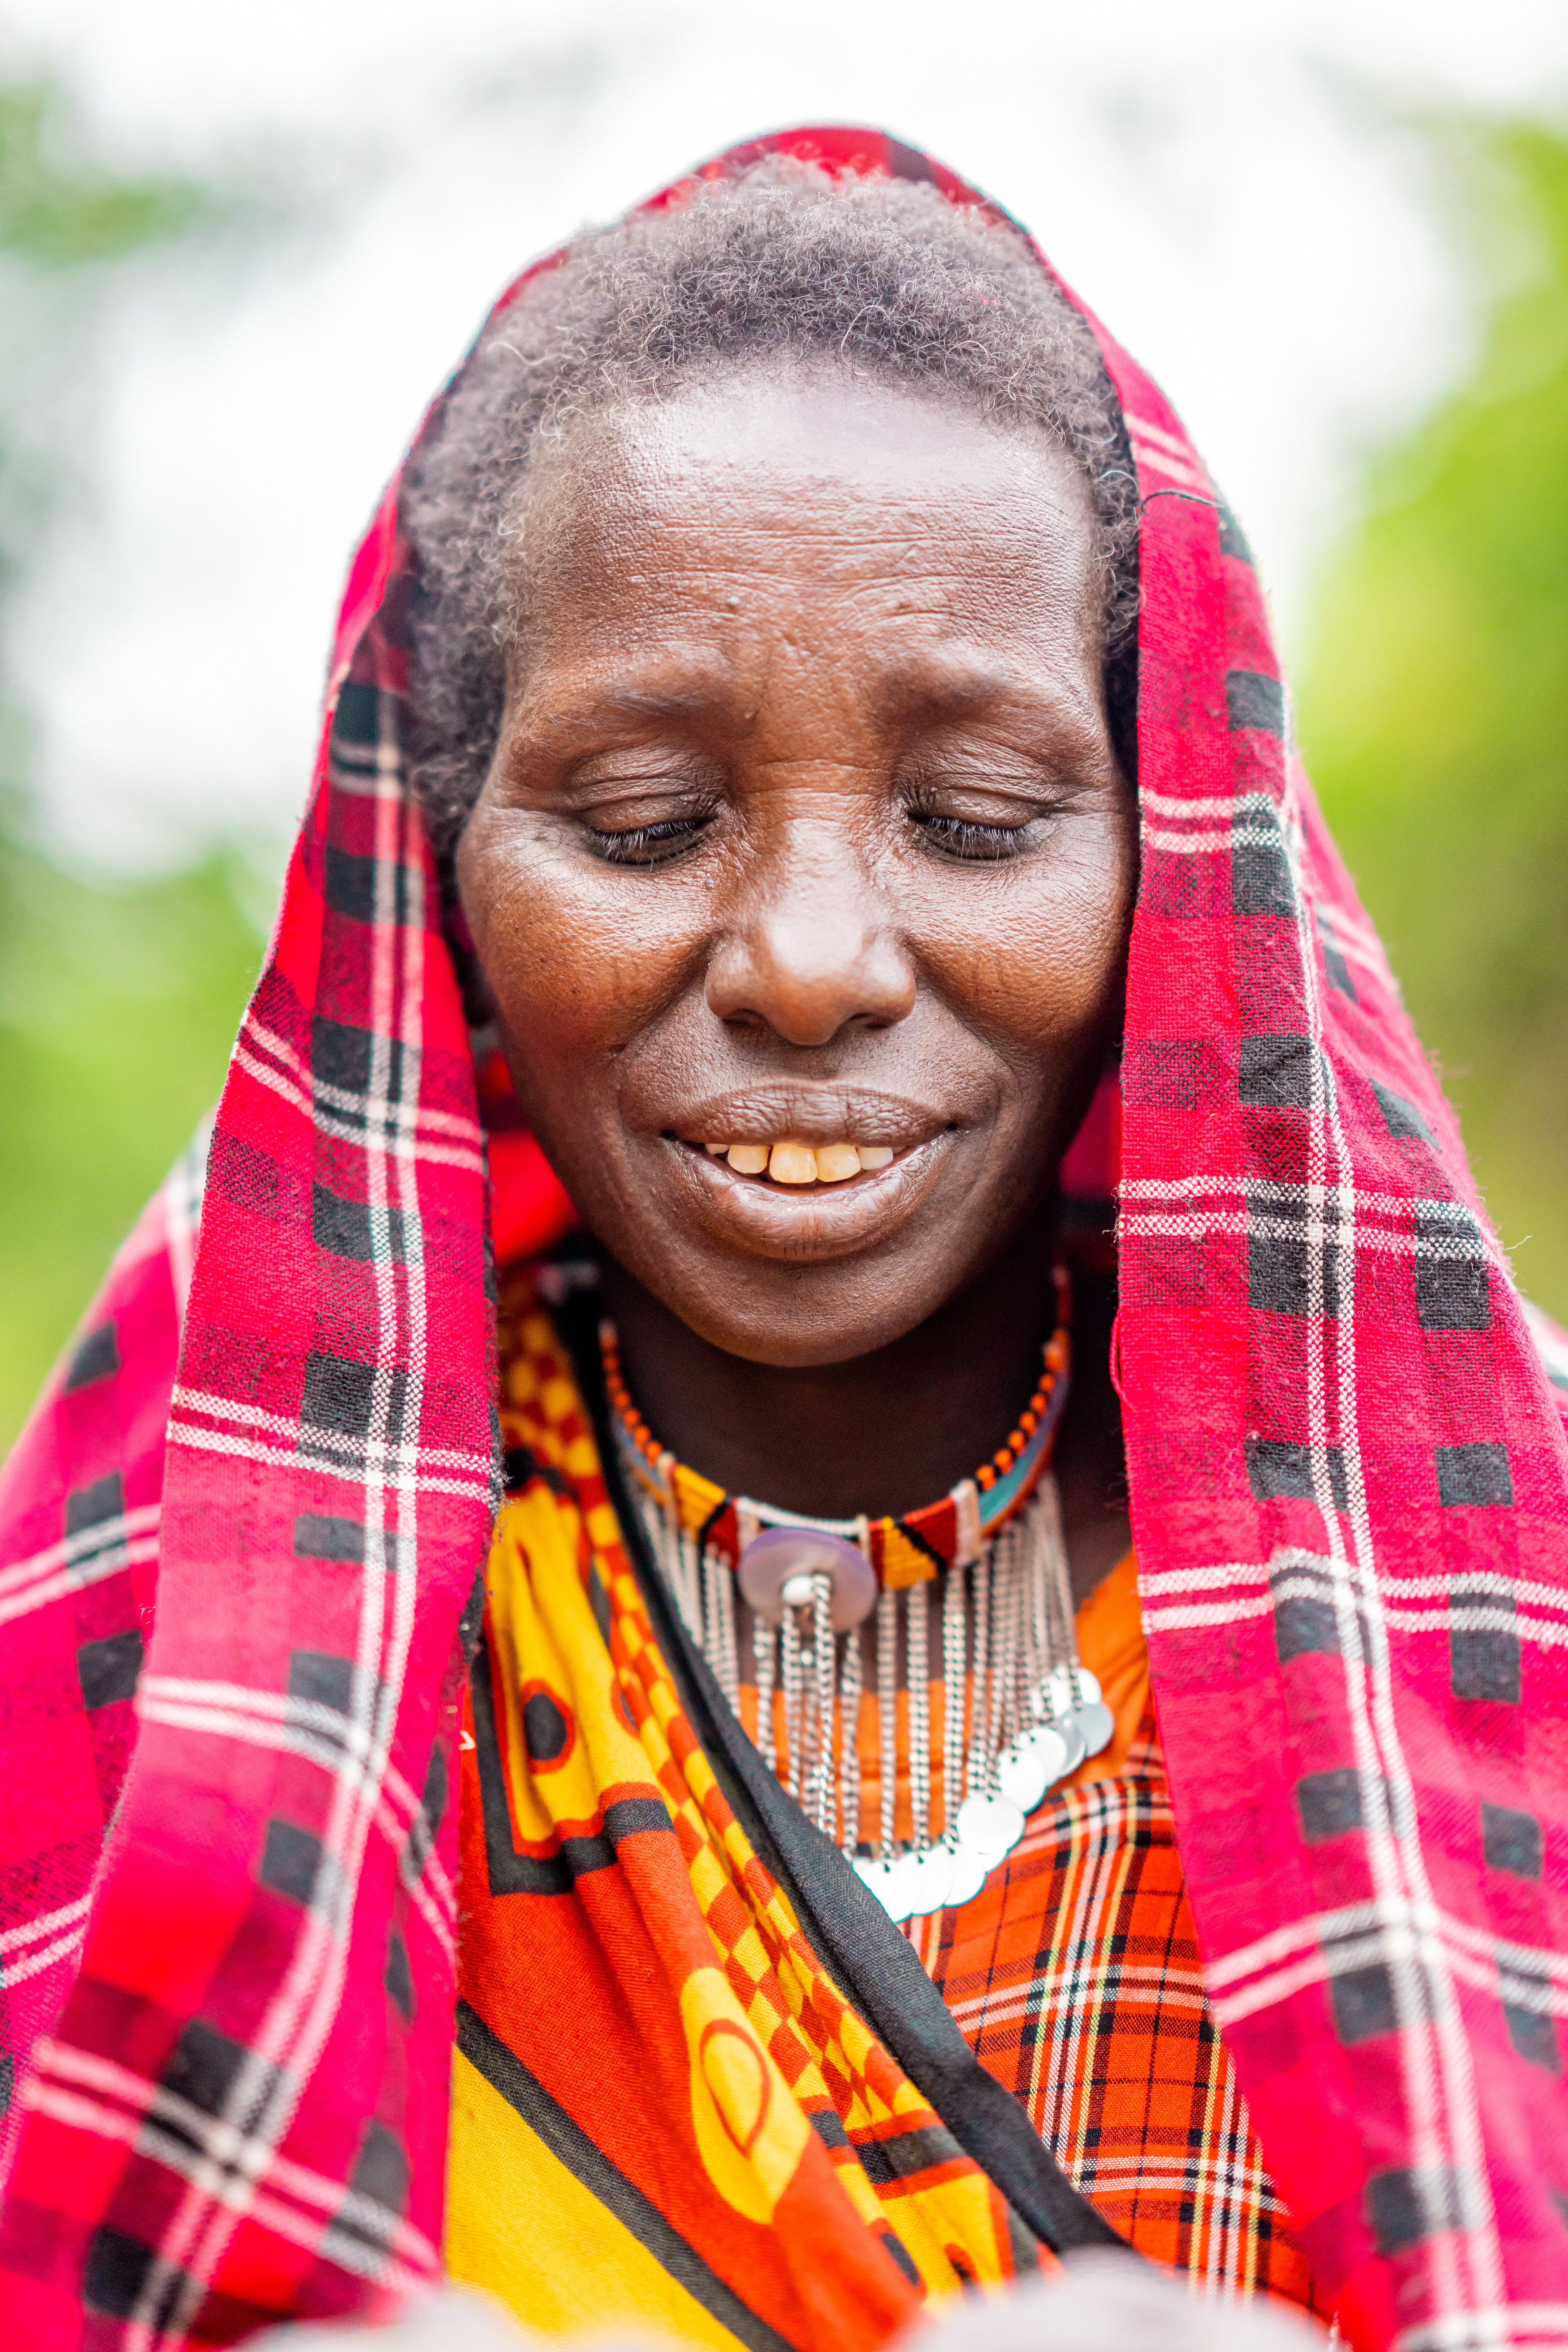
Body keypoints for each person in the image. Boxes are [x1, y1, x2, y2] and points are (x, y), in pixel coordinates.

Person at [0, 127, 1564, 2352]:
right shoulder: (185, 1637)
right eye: (644, 822)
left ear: (1169, 870)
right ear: (440, 892)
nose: (815, 962)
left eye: (974, 818)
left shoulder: (1503, 1590)